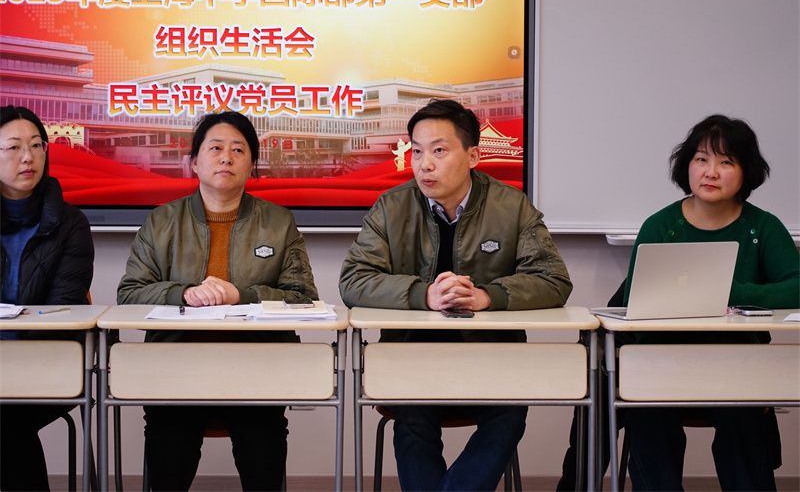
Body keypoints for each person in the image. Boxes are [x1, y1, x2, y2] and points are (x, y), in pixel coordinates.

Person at [339, 99, 573, 491]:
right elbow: (353, 280)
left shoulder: (511, 206)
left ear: (473, 156)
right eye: (416, 152)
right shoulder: (391, 207)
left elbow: (553, 280)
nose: (424, 164)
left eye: (439, 151)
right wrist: (423, 295)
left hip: (490, 359)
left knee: (509, 414)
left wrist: (488, 296)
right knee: (412, 419)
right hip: (413, 359)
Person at [117, 111, 318, 491]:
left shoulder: (278, 223)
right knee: (168, 460)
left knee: (262, 457)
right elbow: (129, 294)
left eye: (238, 150)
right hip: (176, 371)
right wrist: (183, 294)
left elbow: (303, 298)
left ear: (252, 165)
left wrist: (242, 296)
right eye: (215, 148)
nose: (226, 157)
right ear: (194, 162)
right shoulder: (161, 222)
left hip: (257, 371)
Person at [622, 114, 799, 491]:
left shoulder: (763, 227)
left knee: (743, 423)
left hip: (738, 367)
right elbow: (634, 299)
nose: (711, 172)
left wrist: (731, 291)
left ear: (746, 172)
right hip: (661, 365)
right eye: (701, 159)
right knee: (648, 418)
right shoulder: (661, 226)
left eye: (726, 162)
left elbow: (797, 286)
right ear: (687, 166)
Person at [0, 105, 94, 491]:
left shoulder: (71, 224)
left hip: (49, 364)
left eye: (37, 145)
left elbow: (63, 310)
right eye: (14, 147)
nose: (28, 157)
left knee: (6, 420)